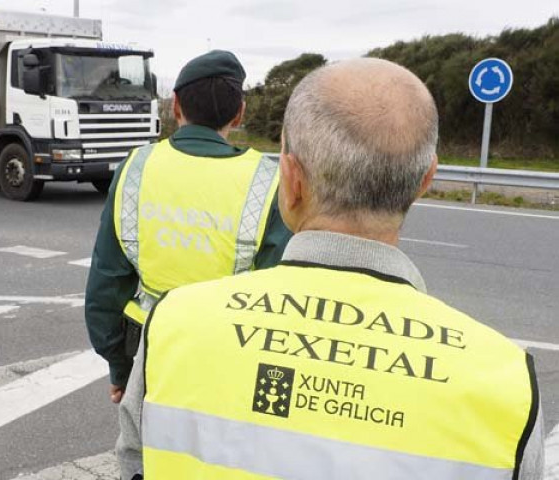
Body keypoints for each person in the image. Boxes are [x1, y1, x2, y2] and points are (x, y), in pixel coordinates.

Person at [117, 58, 544, 479]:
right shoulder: (505, 381)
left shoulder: (173, 327)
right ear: (424, 180)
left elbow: (135, 466)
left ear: (291, 178)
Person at [85, 50, 292, 404]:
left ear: (176, 105)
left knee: (149, 457)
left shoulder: (135, 168)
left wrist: (121, 369)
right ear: (239, 112)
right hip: (232, 364)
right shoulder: (269, 181)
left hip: (154, 359)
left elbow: (107, 282)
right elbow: (282, 296)